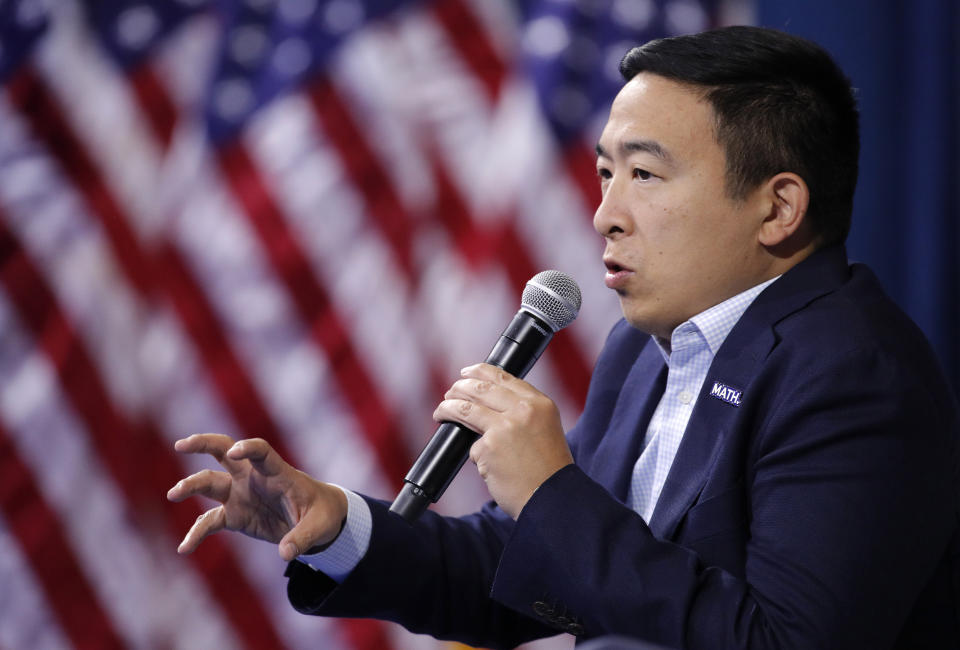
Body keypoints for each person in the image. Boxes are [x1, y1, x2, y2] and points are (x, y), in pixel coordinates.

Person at [166, 26, 960, 649]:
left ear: (778, 208)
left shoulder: (856, 375)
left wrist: (552, 491)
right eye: (605, 173)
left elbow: (780, 639)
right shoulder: (642, 354)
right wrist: (335, 523)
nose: (605, 213)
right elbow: (518, 574)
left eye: (644, 175)